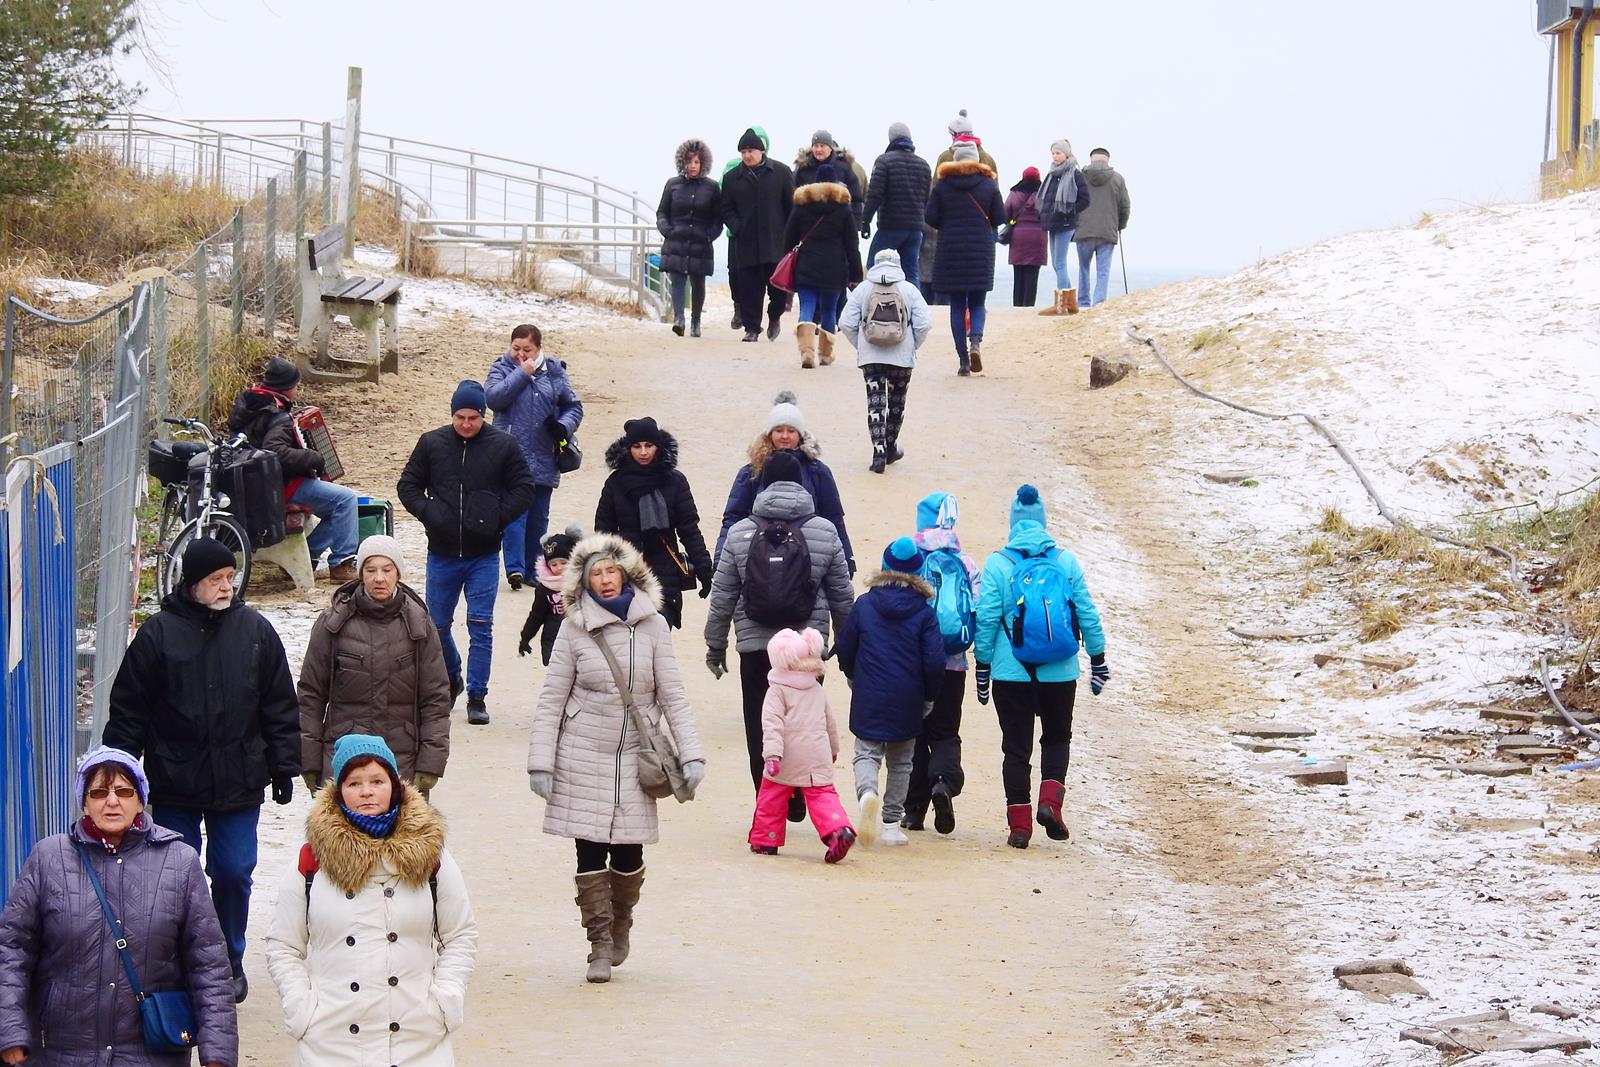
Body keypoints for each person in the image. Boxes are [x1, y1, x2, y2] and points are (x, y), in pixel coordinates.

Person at [104, 536, 300, 1002]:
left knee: (234, 872)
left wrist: (284, 765)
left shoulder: (255, 631)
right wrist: (118, 774)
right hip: (175, 780)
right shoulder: (158, 635)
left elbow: (279, 703)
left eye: (230, 577)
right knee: (174, 875)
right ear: (193, 584)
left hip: (239, 778)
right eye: (216, 579)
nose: (226, 586)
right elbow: (130, 709)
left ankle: (229, 956)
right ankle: (179, 959)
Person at [527, 535, 706, 984]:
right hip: (581, 750)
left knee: (628, 852)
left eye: (611, 571)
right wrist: (541, 763)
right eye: (595, 574)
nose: (604, 580)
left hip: (637, 756)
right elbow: (552, 699)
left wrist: (692, 754)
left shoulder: (653, 627)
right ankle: (599, 943)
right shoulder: (573, 627)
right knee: (588, 849)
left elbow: (674, 696)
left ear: (626, 573)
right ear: (583, 582)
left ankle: (622, 920)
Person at [0, 746, 238, 1067]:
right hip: (61, 1054)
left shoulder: (180, 862)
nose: (112, 801)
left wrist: (218, 1053)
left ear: (140, 799)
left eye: (124, 791)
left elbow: (208, 965)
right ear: (84, 802)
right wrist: (10, 1033)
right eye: (99, 792)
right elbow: (11, 952)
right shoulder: (48, 858)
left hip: (151, 1056)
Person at [265, 734, 477, 1067]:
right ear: (338, 792)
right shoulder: (311, 862)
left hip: (418, 1041)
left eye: (377, 780)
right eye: (354, 782)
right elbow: (284, 946)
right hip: (331, 1043)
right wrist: (301, 1009)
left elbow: (460, 936)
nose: (366, 791)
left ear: (394, 785)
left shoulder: (433, 858)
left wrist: (445, 1000)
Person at [705, 450, 855, 811]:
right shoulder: (823, 530)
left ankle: (770, 799)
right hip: (807, 645)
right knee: (803, 722)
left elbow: (723, 594)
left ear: (764, 483)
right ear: (802, 484)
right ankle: (801, 790)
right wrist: (848, 646)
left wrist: (715, 645)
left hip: (756, 646)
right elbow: (841, 594)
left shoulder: (741, 532)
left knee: (760, 721)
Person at [973, 485, 1109, 848]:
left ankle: (1019, 825)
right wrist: (1097, 658)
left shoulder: (999, 564)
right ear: (1043, 522)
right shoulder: (1065, 561)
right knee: (1057, 737)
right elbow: (1087, 613)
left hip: (1010, 670)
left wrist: (983, 665)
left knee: (1016, 748)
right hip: (1060, 670)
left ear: (1013, 524)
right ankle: (1051, 802)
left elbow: (986, 619)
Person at [397, 380, 535, 726]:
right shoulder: (432, 443)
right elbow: (407, 485)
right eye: (460, 417)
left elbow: (524, 488)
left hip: (484, 554)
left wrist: (497, 518)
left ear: (483, 416)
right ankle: (452, 676)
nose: (466, 424)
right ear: (452, 414)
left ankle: (477, 695)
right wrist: (430, 512)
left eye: (473, 417)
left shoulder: (503, 445)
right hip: (442, 552)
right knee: (437, 625)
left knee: (481, 625)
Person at [297, 534, 452, 800]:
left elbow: (435, 699)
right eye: (371, 570)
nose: (379, 578)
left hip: (402, 760)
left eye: (386, 570)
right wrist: (308, 759)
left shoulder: (419, 626)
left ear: (398, 574)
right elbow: (310, 695)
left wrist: (430, 762)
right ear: (360, 575)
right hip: (344, 762)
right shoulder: (333, 624)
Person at [834, 538, 945, 848]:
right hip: (909, 696)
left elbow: (846, 645)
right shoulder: (924, 612)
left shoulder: (866, 604)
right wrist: (929, 696)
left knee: (866, 752)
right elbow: (934, 661)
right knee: (901, 761)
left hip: (869, 690)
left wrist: (852, 675)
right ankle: (891, 824)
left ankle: (867, 793)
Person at [228, 355, 360, 580]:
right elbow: (275, 452)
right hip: (276, 488)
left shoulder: (251, 403)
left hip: (252, 483)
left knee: (338, 507)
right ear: (288, 387)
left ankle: (307, 555)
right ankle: (341, 562)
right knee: (345, 501)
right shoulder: (277, 416)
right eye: (296, 385)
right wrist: (313, 457)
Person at [483, 324, 583, 589]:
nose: (520, 354)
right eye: (516, 348)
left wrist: (563, 426)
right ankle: (514, 570)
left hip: (544, 455)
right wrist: (522, 374)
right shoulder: (502, 368)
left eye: (527, 350)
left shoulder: (554, 371)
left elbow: (573, 407)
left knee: (538, 517)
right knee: (515, 516)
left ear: (539, 348)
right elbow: (493, 398)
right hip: (509, 455)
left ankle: (533, 570)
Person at [714, 391, 855, 576]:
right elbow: (733, 518)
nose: (785, 436)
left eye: (791, 431)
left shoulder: (818, 472)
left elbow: (833, 518)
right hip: (760, 557)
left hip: (808, 557)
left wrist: (845, 558)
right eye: (779, 430)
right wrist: (721, 556)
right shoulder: (751, 472)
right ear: (769, 433)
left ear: (800, 434)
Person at [904, 492, 980, 833]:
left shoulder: (909, 556)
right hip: (952, 664)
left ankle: (914, 809)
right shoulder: (965, 563)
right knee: (946, 731)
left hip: (913, 664)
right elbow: (977, 610)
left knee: (914, 735)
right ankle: (943, 783)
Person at [748, 627, 856, 863]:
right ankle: (838, 829)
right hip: (818, 751)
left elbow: (772, 724)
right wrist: (833, 749)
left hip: (788, 753)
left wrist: (772, 755)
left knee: (772, 795)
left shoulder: (776, 690)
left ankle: (766, 839)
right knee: (822, 795)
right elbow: (830, 721)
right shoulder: (816, 687)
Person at [594, 417, 714, 629]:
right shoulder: (615, 483)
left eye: (648, 445)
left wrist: (704, 568)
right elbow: (604, 535)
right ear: (627, 448)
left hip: (663, 576)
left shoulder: (675, 482)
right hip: (626, 575)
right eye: (636, 446)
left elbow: (689, 530)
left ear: (658, 447)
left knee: (658, 644)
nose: (643, 452)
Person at [838, 249, 933, 470]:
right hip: (902, 358)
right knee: (896, 404)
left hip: (871, 358)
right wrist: (912, 345)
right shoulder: (909, 289)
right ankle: (891, 449)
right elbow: (924, 324)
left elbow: (845, 323)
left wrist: (861, 345)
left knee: (876, 404)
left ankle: (878, 455)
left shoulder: (863, 289)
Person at [925, 141, 1005, 376]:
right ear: (977, 160)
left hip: (951, 249)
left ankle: (963, 359)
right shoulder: (989, 184)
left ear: (955, 160)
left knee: (957, 305)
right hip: (981, 249)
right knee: (978, 303)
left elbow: (930, 217)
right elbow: (1000, 216)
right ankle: (976, 342)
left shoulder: (942, 185)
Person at [782, 162, 863, 369]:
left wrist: (787, 260)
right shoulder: (843, 208)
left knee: (807, 307)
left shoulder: (802, 205)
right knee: (829, 310)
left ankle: (806, 352)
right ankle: (825, 355)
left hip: (806, 265)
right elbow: (851, 244)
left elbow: (789, 238)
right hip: (834, 268)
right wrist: (855, 273)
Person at [721, 127, 794, 342]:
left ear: (762, 151)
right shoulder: (732, 178)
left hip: (775, 242)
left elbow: (791, 206)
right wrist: (737, 226)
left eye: (751, 150)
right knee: (750, 289)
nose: (747, 155)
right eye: (743, 151)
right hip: (746, 242)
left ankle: (774, 317)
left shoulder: (781, 172)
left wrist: (789, 232)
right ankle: (752, 328)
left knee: (778, 289)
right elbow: (725, 207)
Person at [656, 138, 722, 337]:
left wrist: (710, 235)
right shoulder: (673, 184)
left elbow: (718, 218)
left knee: (698, 282)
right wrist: (667, 230)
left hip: (700, 242)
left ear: (703, 163)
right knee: (677, 280)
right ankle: (679, 319)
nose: (692, 166)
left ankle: (696, 322)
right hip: (676, 240)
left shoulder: (712, 187)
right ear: (682, 162)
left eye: (696, 162)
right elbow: (662, 212)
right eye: (689, 162)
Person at [862, 122, 932, 288]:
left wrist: (865, 221)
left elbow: (875, 195)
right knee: (911, 272)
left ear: (891, 139)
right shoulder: (924, 165)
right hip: (915, 228)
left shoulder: (884, 161)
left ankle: (874, 305)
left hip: (890, 226)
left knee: (874, 265)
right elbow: (926, 199)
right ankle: (913, 311)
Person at [1037, 139, 1093, 317]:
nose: (1055, 156)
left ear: (1066, 154)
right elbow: (1046, 200)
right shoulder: (1052, 174)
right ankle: (1071, 303)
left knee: (1060, 263)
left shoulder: (1074, 173)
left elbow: (1085, 200)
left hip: (1066, 223)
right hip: (1052, 223)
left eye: (1058, 153)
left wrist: (1070, 211)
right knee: (1056, 263)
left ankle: (1061, 304)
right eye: (1053, 153)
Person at [1074, 148, 1132, 309]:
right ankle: (1098, 302)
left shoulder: (1080, 177)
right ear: (1107, 160)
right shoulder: (1118, 179)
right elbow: (1125, 206)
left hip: (1084, 229)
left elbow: (1073, 201)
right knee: (1103, 271)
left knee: (1083, 268)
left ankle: (1083, 302)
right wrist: (1120, 225)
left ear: (1091, 159)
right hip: (1107, 231)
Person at [518, 527, 581, 665]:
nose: (559, 568)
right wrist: (525, 638)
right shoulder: (545, 588)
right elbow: (536, 616)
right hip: (552, 640)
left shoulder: (582, 584)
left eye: (564, 562)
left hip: (579, 639)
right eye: (553, 564)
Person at [792, 130, 864, 230]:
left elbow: (856, 199)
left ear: (830, 148)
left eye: (822, 146)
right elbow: (795, 201)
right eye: (816, 146)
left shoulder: (843, 168)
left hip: (838, 226)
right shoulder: (803, 169)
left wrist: (855, 225)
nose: (818, 149)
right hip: (810, 226)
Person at [1004, 166, 1048, 308]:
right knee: (1032, 275)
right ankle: (1029, 306)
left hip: (1018, 237)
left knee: (1018, 274)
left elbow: (1005, 214)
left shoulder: (1014, 193)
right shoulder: (1044, 194)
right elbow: (1049, 215)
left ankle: (1017, 306)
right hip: (1038, 237)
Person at [934, 109, 999, 176]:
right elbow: (995, 185)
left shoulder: (944, 157)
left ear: (955, 135)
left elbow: (935, 185)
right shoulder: (988, 159)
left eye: (952, 134)